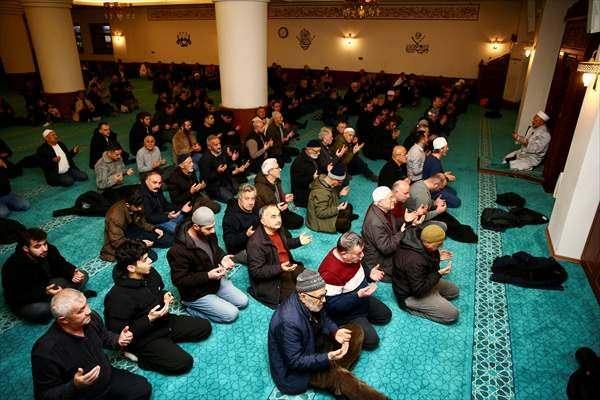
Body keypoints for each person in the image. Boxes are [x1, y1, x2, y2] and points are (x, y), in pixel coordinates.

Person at [268, 269, 387, 399]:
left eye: (324, 294)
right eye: (320, 297)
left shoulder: (312, 299)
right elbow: (295, 361)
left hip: (316, 343)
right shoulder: (288, 322)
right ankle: (337, 378)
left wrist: (335, 332)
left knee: (355, 331)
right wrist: (327, 358)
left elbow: (325, 318)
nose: (324, 300)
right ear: (303, 296)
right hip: (299, 368)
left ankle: (335, 375)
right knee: (341, 378)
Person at [104, 239, 212, 374]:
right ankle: (138, 356)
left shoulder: (150, 272)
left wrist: (165, 295)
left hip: (164, 322)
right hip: (144, 337)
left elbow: (159, 290)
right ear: (131, 268)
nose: (150, 261)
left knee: (205, 327)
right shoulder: (117, 297)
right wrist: (148, 319)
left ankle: (165, 345)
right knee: (184, 363)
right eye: (145, 260)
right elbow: (118, 331)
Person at [31, 289, 152, 399]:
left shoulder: (90, 318)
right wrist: (74, 386)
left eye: (86, 305)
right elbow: (44, 395)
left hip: (106, 377)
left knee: (143, 388)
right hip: (81, 394)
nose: (88, 311)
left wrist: (118, 340)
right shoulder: (46, 352)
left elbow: (104, 337)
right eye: (80, 311)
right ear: (64, 320)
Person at [167, 207, 248, 323]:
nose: (213, 231)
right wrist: (208, 276)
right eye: (209, 228)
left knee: (243, 301)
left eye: (213, 226)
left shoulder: (208, 233)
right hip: (196, 293)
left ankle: (214, 300)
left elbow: (216, 249)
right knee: (231, 314)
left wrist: (222, 257)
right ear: (196, 227)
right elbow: (179, 280)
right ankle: (189, 307)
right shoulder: (177, 251)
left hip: (214, 282)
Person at [2, 228, 95, 324]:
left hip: (48, 283)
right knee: (40, 310)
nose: (44, 249)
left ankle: (65, 302)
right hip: (29, 299)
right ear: (26, 248)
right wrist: (45, 292)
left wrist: (72, 272)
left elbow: (61, 264)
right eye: (37, 246)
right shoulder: (12, 267)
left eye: (45, 244)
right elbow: (16, 296)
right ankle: (69, 301)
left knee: (83, 275)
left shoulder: (49, 249)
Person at [318, 232, 391, 349]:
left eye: (362, 251)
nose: (362, 255)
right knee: (372, 342)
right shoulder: (329, 273)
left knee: (386, 316)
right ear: (344, 254)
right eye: (359, 253)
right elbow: (332, 306)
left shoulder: (352, 257)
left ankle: (363, 320)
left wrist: (369, 275)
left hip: (361, 298)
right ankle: (346, 325)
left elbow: (360, 265)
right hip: (348, 311)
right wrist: (357, 296)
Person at [246, 204, 312, 308]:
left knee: (313, 280)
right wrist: (280, 268)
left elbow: (282, 244)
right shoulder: (255, 243)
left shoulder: (278, 229)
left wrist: (298, 241)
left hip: (288, 266)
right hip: (274, 280)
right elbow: (256, 272)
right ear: (263, 221)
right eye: (273, 216)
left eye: (279, 215)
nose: (278, 219)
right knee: (300, 300)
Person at [392, 224, 459, 324]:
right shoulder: (414, 261)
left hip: (423, 280)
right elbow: (418, 291)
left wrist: (437, 256)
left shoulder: (419, 239)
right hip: (410, 294)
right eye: (438, 245)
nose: (440, 246)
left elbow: (427, 262)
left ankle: (434, 298)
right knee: (452, 315)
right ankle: (411, 308)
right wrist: (439, 274)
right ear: (427, 243)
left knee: (454, 291)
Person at [101, 190, 172, 262]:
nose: (140, 208)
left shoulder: (138, 205)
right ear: (128, 205)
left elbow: (142, 223)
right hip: (123, 240)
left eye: (141, 205)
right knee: (152, 257)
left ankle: (148, 243)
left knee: (169, 240)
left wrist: (154, 228)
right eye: (137, 206)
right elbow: (117, 241)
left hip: (135, 230)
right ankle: (146, 244)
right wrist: (141, 243)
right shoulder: (114, 217)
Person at [362, 186, 408, 280]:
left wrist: (405, 219)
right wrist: (401, 233)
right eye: (390, 198)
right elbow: (386, 248)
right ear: (380, 202)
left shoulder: (380, 207)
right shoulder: (375, 223)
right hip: (379, 260)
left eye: (393, 196)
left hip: (385, 245)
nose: (394, 200)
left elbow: (391, 224)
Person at [255, 158, 304, 230]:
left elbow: (277, 197)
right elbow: (260, 210)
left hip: (279, 208)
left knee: (300, 220)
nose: (280, 169)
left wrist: (284, 198)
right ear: (270, 171)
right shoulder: (261, 189)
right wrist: (277, 208)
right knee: (297, 222)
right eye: (277, 168)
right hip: (270, 214)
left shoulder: (275, 180)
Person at [307, 163, 354, 233]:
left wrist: (340, 194)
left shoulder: (323, 177)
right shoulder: (322, 193)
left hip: (327, 206)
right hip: (317, 221)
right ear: (334, 180)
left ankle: (346, 217)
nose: (340, 184)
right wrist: (338, 208)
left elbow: (331, 195)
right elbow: (320, 213)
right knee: (345, 226)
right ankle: (346, 218)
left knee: (349, 206)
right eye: (340, 182)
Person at [200, 135, 249, 203]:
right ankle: (214, 196)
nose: (219, 146)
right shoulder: (205, 159)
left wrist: (234, 165)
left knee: (238, 190)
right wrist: (217, 172)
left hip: (225, 179)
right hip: (215, 185)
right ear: (209, 147)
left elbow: (228, 167)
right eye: (216, 145)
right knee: (231, 199)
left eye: (219, 143)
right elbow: (206, 179)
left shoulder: (222, 153)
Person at [222, 183, 260, 265]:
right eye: (247, 199)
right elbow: (229, 242)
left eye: (253, 198)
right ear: (239, 199)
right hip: (240, 250)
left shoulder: (254, 206)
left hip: (256, 241)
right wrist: (246, 234)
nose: (251, 202)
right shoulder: (231, 216)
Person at [422, 137, 460, 208]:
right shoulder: (435, 164)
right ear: (441, 149)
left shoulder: (431, 156)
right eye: (446, 147)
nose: (448, 149)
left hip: (433, 184)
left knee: (453, 192)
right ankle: (433, 201)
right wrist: (447, 179)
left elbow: (435, 176)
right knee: (457, 202)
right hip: (432, 190)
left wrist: (444, 175)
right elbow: (435, 184)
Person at [290, 139, 323, 208]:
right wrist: (312, 178)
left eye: (319, 151)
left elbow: (319, 167)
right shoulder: (298, 163)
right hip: (302, 192)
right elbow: (297, 182)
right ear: (309, 149)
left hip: (312, 183)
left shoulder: (313, 155)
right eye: (317, 151)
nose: (319, 153)